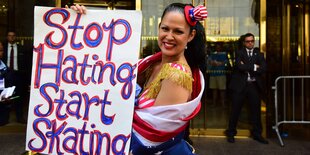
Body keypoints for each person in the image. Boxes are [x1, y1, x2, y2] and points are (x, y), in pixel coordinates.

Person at [70, 3, 207, 154]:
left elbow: (149, 137)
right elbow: (104, 76)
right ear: (159, 27)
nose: (169, 36)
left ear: (191, 35)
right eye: (165, 28)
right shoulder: (151, 63)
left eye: (178, 31)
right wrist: (79, 22)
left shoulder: (177, 76)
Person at [225, 33, 268, 144]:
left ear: (254, 41)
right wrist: (254, 66)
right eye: (248, 41)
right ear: (244, 43)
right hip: (240, 86)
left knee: (255, 111)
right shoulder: (239, 53)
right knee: (235, 110)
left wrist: (247, 66)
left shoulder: (259, 54)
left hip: (253, 86)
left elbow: (263, 68)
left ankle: (257, 134)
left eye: (252, 41)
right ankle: (231, 134)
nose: (250, 43)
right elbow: (239, 66)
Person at [2, 31, 28, 124]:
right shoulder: (3, 48)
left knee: (19, 96)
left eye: (13, 36)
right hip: (6, 75)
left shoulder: (21, 48)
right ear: (7, 37)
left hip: (18, 75)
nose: (11, 37)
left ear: (15, 37)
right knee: (6, 96)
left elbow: (26, 62)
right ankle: (5, 118)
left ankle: (20, 117)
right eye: (9, 36)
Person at [207, 43, 228, 107]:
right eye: (217, 47)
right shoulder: (212, 54)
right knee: (214, 89)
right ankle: (214, 103)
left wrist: (219, 63)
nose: (218, 48)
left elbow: (226, 62)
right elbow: (209, 61)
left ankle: (223, 104)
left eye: (219, 47)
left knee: (222, 89)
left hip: (221, 74)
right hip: (213, 73)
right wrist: (213, 62)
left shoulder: (224, 54)